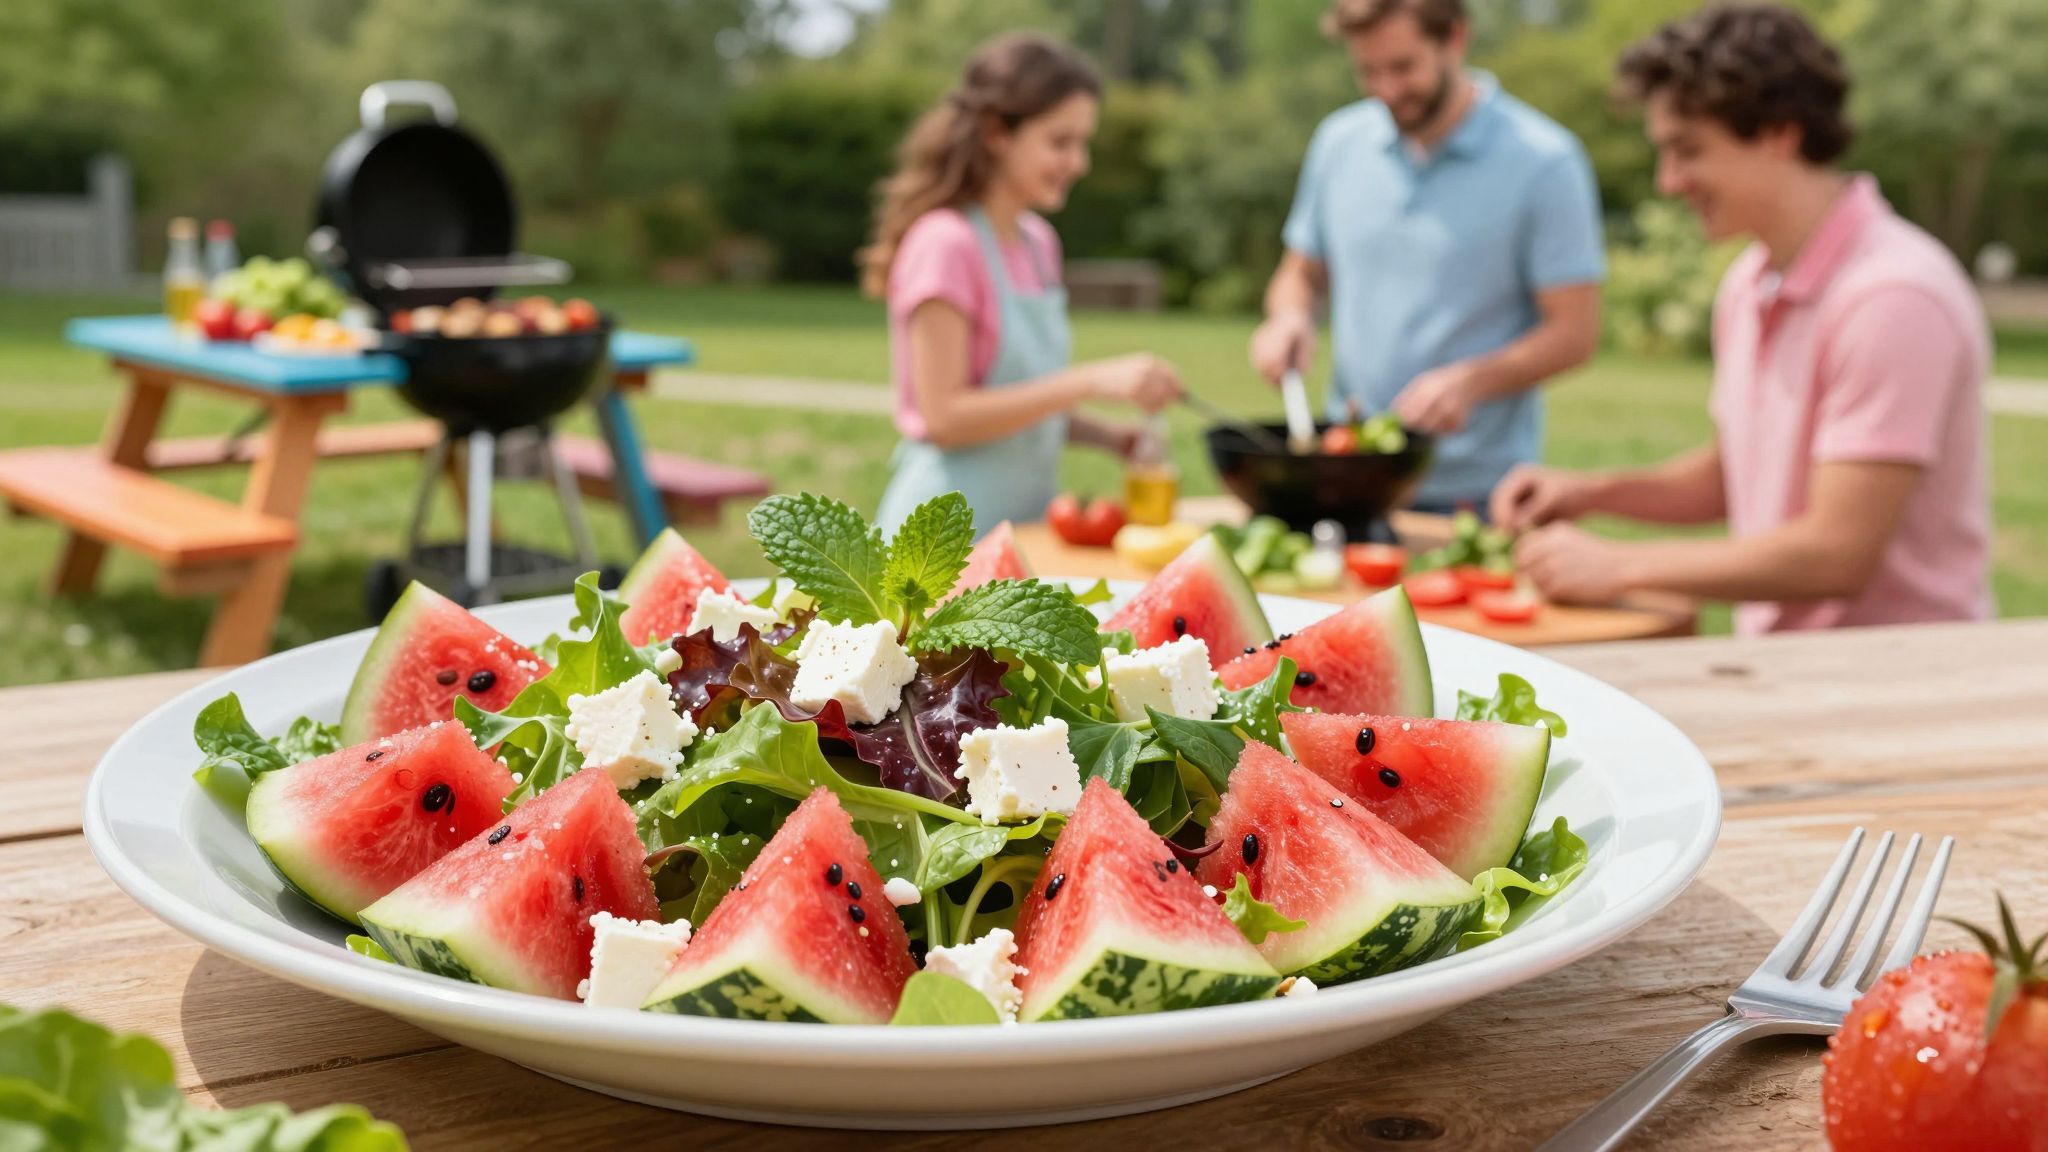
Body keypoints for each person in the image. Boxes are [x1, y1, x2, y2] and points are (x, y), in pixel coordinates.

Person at [1494, 4, 1993, 634]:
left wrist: (1624, 564)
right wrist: (1591, 493)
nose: (1668, 181)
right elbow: (1738, 477)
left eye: (1688, 151)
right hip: (1790, 669)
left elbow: (1839, 553)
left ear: (1780, 133)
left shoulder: (1893, 296)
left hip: (1897, 687)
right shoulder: (1750, 282)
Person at [1250, 0, 1604, 514]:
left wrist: (1472, 381)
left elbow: (1575, 334)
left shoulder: (1545, 161)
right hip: (1346, 477)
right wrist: (1288, 318)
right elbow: (1300, 273)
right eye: (1368, 71)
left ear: (1455, 39)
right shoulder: (1339, 143)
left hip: (1478, 496)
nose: (1387, 90)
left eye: (1403, 67)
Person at [866, 34, 1183, 534]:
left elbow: (1018, 404)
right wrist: (1092, 380)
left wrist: (1108, 437)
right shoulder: (945, 244)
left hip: (1020, 531)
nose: (1079, 163)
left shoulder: (1038, 242)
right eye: (1060, 142)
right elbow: (945, 417)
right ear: (997, 133)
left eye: (1083, 142)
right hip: (935, 543)